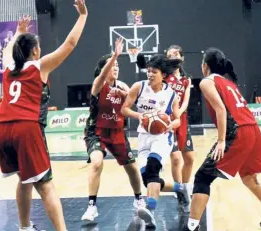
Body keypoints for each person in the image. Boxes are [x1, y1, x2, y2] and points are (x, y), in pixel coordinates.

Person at [0, 1, 87, 230]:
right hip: (25, 127)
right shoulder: (39, 67)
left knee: (24, 181)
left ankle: (24, 227)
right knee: (45, 185)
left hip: (1, 128)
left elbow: (7, 51)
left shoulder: (8, 68)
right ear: (35, 50)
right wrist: (83, 15)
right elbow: (70, 43)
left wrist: (19, 32)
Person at [184, 48, 261, 231]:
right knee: (250, 179)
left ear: (205, 66)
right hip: (253, 130)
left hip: (237, 131)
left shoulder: (207, 82)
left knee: (202, 177)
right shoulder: (228, 82)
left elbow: (221, 110)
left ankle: (191, 227)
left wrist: (221, 140)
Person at [121, 54, 190, 229]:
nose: (150, 74)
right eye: (148, 71)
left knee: (153, 168)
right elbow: (124, 109)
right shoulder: (139, 87)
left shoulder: (171, 94)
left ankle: (150, 209)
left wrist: (172, 124)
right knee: (148, 179)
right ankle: (179, 188)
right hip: (143, 137)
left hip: (162, 137)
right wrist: (140, 116)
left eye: (154, 72)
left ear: (163, 75)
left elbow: (177, 120)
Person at [81, 37, 145, 222]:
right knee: (96, 163)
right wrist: (115, 54)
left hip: (117, 131)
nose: (116, 67)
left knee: (132, 168)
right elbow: (101, 78)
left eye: (117, 65)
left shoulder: (123, 86)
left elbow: (137, 103)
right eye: (112, 65)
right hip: (96, 132)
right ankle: (92, 206)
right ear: (104, 69)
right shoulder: (98, 85)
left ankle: (139, 199)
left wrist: (125, 94)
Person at [165, 45, 195, 211]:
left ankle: (184, 186)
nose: (173, 57)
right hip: (168, 120)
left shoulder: (186, 79)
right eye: (169, 55)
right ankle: (181, 195)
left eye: (176, 54)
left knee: (189, 157)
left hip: (181, 118)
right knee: (176, 158)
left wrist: (179, 113)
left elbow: (186, 101)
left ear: (182, 58)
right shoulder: (163, 77)